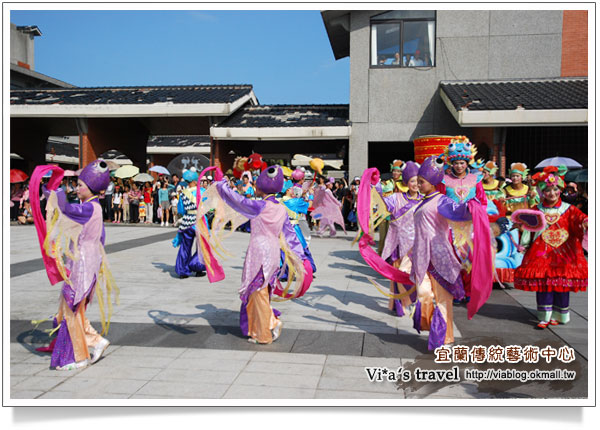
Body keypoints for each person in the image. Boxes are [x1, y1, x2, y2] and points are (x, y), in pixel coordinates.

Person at [200, 165, 313, 344]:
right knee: (260, 292)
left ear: (262, 187)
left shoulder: (259, 206)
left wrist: (222, 185)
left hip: (259, 253)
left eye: (257, 184)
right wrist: (302, 257)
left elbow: (235, 199)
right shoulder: (281, 209)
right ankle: (255, 330)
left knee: (257, 292)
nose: (255, 186)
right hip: (273, 253)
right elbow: (291, 237)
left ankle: (269, 326)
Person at [32, 160, 118, 370]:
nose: (77, 188)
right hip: (84, 263)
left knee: (71, 309)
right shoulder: (93, 208)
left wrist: (53, 189)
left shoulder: (89, 208)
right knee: (70, 310)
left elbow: (64, 207)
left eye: (80, 185)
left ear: (93, 189)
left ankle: (78, 356)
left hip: (82, 267)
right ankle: (95, 341)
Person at [410, 156, 492, 349]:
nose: (418, 185)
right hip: (422, 256)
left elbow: (459, 211)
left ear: (432, 183)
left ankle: (444, 340)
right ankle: (435, 332)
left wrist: (471, 206)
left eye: (421, 182)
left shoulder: (441, 201)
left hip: (439, 256)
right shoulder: (423, 201)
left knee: (442, 300)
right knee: (424, 294)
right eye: (418, 182)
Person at [514, 165, 587, 329]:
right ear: (542, 192)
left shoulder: (569, 209)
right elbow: (528, 228)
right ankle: (544, 316)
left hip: (564, 254)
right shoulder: (537, 209)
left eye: (554, 189)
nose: (551, 193)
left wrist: (585, 222)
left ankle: (559, 315)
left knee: (562, 285)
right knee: (544, 284)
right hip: (542, 254)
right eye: (547, 190)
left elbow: (580, 219)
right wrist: (523, 243)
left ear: (560, 189)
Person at [374, 161, 425, 316]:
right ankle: (399, 306)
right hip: (398, 245)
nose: (415, 184)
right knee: (398, 277)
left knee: (417, 277)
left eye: (418, 181)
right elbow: (380, 203)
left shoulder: (425, 199)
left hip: (417, 247)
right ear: (406, 182)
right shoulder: (396, 198)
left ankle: (412, 301)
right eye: (412, 181)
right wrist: (374, 187)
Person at [173, 169, 206, 278]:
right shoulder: (201, 191)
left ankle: (183, 270)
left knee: (185, 247)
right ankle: (196, 267)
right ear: (195, 181)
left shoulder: (183, 194)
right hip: (199, 221)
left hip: (187, 222)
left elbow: (181, 210)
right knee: (201, 246)